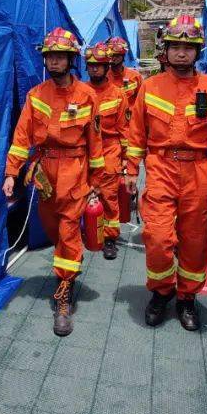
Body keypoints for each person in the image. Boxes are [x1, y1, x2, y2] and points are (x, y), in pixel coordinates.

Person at [124, 15, 207, 331]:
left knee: (194, 241)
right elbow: (136, 134)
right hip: (160, 168)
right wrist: (131, 169)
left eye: (188, 47)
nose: (181, 53)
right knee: (158, 237)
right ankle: (162, 292)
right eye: (175, 46)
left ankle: (187, 298)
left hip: (200, 171)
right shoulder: (149, 87)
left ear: (197, 50)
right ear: (166, 49)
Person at [3, 28, 105, 337]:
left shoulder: (88, 96)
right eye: (50, 56)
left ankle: (64, 293)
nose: (54, 61)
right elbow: (21, 139)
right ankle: (67, 268)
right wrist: (11, 173)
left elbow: (95, 143)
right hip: (44, 173)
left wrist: (96, 181)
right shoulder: (36, 96)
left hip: (75, 171)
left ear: (72, 59)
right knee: (52, 229)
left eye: (60, 56)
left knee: (67, 231)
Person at [83, 42, 130, 261]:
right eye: (91, 65)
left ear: (106, 66)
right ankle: (86, 230)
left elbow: (124, 130)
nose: (94, 69)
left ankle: (109, 238)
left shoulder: (118, 95)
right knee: (81, 192)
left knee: (109, 196)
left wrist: (126, 160)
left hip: (109, 149)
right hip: (84, 150)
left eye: (99, 65)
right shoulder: (80, 92)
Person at [107, 36, 143, 106]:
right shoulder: (104, 78)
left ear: (123, 56)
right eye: (112, 55)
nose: (114, 58)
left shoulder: (135, 76)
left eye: (117, 55)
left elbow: (142, 100)